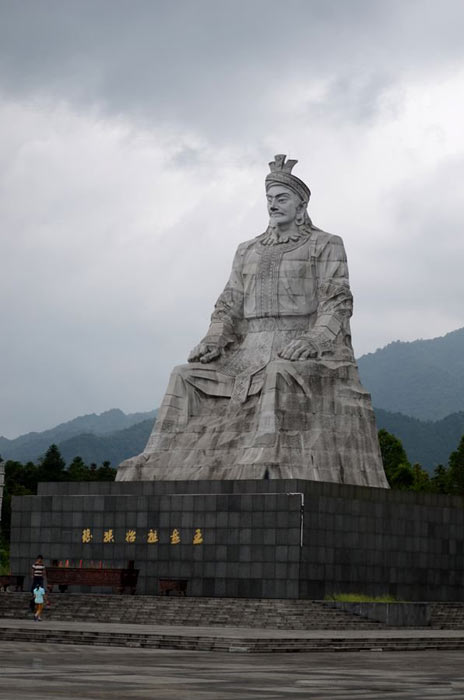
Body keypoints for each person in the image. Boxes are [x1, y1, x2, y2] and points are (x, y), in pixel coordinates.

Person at [117, 155, 388, 487]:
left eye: (282, 198)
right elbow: (228, 305)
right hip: (247, 349)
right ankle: (157, 455)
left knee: (279, 372)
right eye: (269, 199)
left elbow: (337, 302)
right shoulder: (247, 250)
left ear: (301, 205)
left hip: (299, 345)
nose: (273, 205)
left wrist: (314, 339)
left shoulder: (325, 244)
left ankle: (263, 452)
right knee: (184, 375)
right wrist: (214, 338)